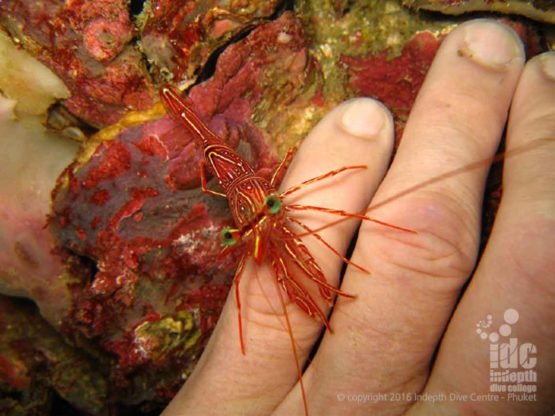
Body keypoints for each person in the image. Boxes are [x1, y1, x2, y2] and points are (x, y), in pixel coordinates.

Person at [162, 19, 555, 415]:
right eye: (237, 234)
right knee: (280, 274)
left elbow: (292, 187)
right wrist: (258, 224)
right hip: (223, 167)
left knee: (318, 229)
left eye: (274, 206)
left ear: (275, 198)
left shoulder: (270, 203)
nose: (261, 224)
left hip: (235, 174)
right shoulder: (250, 209)